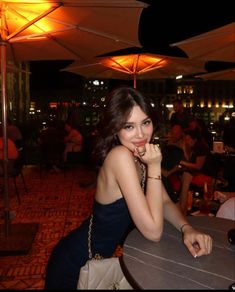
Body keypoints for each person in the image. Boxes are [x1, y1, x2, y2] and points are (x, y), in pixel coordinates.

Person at [45, 86, 213, 290]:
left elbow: (166, 201)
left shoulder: (138, 154)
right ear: (115, 128)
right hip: (76, 261)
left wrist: (187, 228)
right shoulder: (120, 156)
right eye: (129, 126)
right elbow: (153, 231)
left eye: (145, 122)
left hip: (98, 259)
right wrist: (154, 165)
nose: (141, 134)